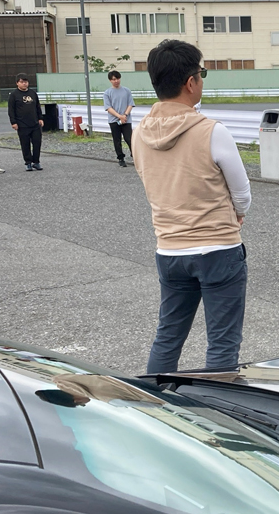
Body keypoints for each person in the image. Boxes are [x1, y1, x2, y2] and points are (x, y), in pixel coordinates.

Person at [135, 40, 251, 374]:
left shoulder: (139, 134)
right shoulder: (211, 131)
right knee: (223, 342)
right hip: (218, 249)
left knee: (168, 336)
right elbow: (242, 193)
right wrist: (237, 213)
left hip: (169, 249)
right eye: (201, 74)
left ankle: (153, 398)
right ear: (190, 82)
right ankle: (216, 404)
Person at [8, 74, 44, 171]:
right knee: (25, 144)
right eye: (22, 82)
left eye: (26, 82)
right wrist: (13, 122)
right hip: (22, 124)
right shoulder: (14, 95)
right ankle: (28, 162)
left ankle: (36, 162)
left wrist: (40, 118)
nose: (24, 84)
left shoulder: (32, 93)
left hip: (35, 123)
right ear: (17, 83)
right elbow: (11, 110)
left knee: (37, 143)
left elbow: (38, 106)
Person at [103, 70, 136, 167]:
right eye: (114, 79)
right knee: (117, 140)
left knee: (129, 138)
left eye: (117, 79)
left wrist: (125, 115)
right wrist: (119, 116)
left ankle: (135, 156)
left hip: (126, 119)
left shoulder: (126, 91)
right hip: (114, 120)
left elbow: (130, 104)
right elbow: (108, 108)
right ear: (110, 80)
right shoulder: (107, 93)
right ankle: (121, 158)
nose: (116, 81)